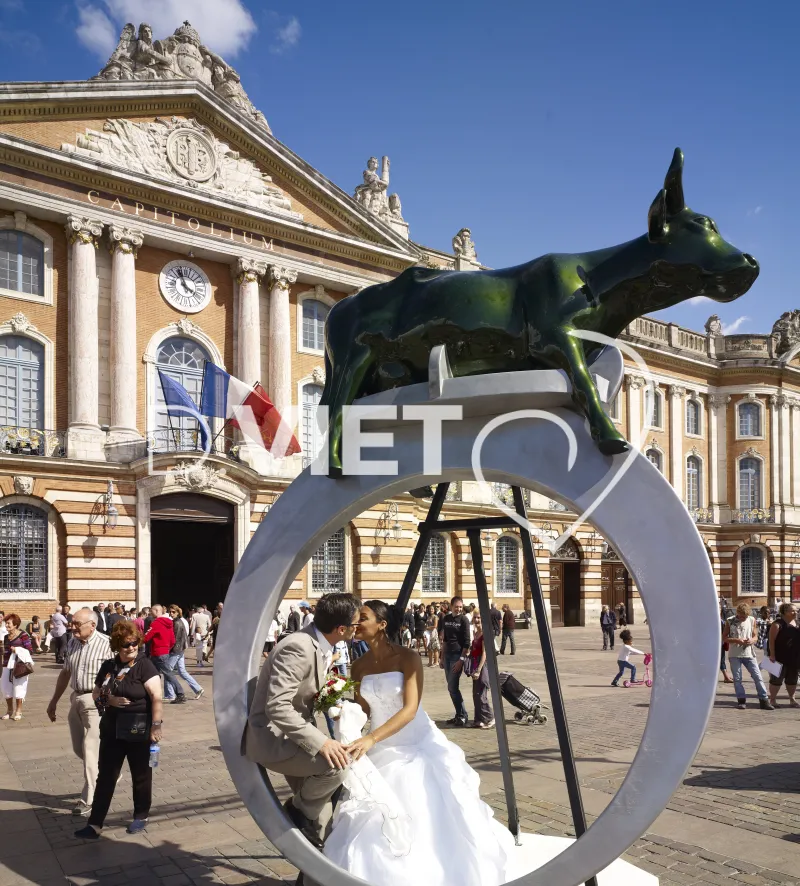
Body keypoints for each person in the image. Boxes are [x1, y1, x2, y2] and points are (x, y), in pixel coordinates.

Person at [323, 599, 544, 886]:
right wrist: (342, 711)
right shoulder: (359, 665)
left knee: (425, 804)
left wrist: (370, 738)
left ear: (382, 624)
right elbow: (366, 710)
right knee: (374, 810)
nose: (356, 624)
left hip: (413, 741)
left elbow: (410, 709)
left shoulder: (408, 658)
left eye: (362, 618)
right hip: (378, 744)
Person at [244, 592, 360, 849]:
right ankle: (295, 811)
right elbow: (277, 706)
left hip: (295, 737)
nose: (357, 630)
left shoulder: (318, 644)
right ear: (341, 629)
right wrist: (321, 743)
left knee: (319, 821)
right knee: (339, 765)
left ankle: (312, 871)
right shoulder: (298, 647)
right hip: (275, 739)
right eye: (355, 625)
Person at [74, 621, 163, 839]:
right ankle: (95, 824)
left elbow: (156, 698)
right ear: (117, 645)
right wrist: (110, 700)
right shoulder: (108, 666)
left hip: (138, 730)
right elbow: (96, 695)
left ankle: (141, 815)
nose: (131, 648)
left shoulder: (145, 665)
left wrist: (156, 726)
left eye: (134, 643)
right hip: (112, 730)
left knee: (141, 775)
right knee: (106, 776)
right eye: (126, 644)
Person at [46, 608, 112, 815]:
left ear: (92, 625)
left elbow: (122, 672)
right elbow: (66, 673)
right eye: (72, 623)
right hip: (76, 698)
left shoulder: (107, 644)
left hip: (97, 700)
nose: (72, 627)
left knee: (91, 748)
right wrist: (53, 701)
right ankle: (107, 771)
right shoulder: (73, 641)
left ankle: (89, 798)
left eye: (77, 624)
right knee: (79, 748)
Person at [723, 603, 773, 710]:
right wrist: (737, 640)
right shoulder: (730, 620)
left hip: (749, 654)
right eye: (741, 616)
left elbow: (755, 636)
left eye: (744, 617)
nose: (743, 618)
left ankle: (764, 700)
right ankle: (741, 700)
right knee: (737, 678)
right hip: (734, 654)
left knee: (758, 676)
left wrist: (752, 640)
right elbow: (724, 637)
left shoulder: (751, 620)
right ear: (738, 613)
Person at [439, 596, 470, 727]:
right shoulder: (446, 619)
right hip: (447, 656)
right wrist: (441, 657)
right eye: (456, 606)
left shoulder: (464, 620)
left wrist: (461, 660)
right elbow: (445, 640)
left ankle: (463, 715)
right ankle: (459, 714)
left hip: (457, 656)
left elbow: (467, 642)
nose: (458, 609)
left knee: (452, 687)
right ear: (451, 606)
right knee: (451, 688)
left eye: (460, 607)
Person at [144, 605, 185, 703]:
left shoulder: (156, 623)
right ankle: (152, 693)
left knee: (167, 674)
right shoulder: (169, 623)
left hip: (157, 653)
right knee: (154, 673)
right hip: (164, 652)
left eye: (151, 611)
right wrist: (166, 648)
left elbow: (147, 637)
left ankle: (180, 693)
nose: (150, 613)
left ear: (157, 611)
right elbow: (172, 640)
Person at [164, 605, 203, 701]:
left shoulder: (177, 623)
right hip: (180, 649)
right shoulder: (178, 621)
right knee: (182, 671)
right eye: (170, 611)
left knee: (167, 671)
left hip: (176, 650)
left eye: (173, 612)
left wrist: (169, 650)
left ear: (177, 612)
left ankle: (170, 694)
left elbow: (175, 639)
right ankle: (198, 689)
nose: (171, 613)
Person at [767, 602, 800, 708]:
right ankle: (772, 700)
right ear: (785, 612)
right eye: (793, 610)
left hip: (794, 657)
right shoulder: (777, 624)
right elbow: (771, 641)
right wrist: (772, 655)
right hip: (778, 657)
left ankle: (792, 699)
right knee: (776, 680)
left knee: (792, 679)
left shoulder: (798, 623)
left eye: (796, 610)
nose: (796, 612)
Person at [1, 614, 33, 720]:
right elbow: (5, 652)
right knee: (6, 688)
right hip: (6, 665)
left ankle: (18, 710)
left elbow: (30, 651)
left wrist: (17, 650)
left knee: (19, 688)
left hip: (20, 666)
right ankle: (9, 711)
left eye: (8, 623)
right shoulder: (5, 637)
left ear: (15, 624)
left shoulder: (23, 635)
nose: (6, 625)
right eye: (6, 623)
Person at [469, 612, 494, 729]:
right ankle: (479, 719)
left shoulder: (484, 634)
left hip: (482, 665)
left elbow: (484, 653)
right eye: (475, 617)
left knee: (481, 694)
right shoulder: (475, 633)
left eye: (479, 617)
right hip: (475, 663)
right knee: (475, 694)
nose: (477, 619)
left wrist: (479, 669)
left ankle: (490, 718)